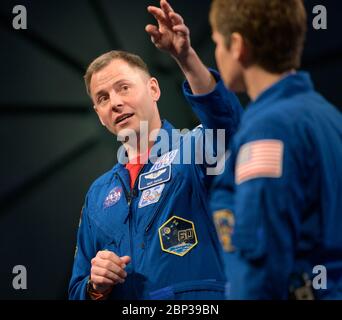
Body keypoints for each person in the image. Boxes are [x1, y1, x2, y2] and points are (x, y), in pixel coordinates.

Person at [68, 1, 242, 300]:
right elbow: (76, 290)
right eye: (103, 97)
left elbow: (227, 120)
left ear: (153, 89)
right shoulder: (97, 195)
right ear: (99, 114)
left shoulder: (197, 150)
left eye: (124, 88)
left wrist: (185, 57)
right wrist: (94, 287)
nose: (115, 102)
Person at [207, 0, 342, 299]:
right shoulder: (328, 116)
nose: (216, 54)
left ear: (237, 46)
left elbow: (261, 258)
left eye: (217, 42)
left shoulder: (268, 130)